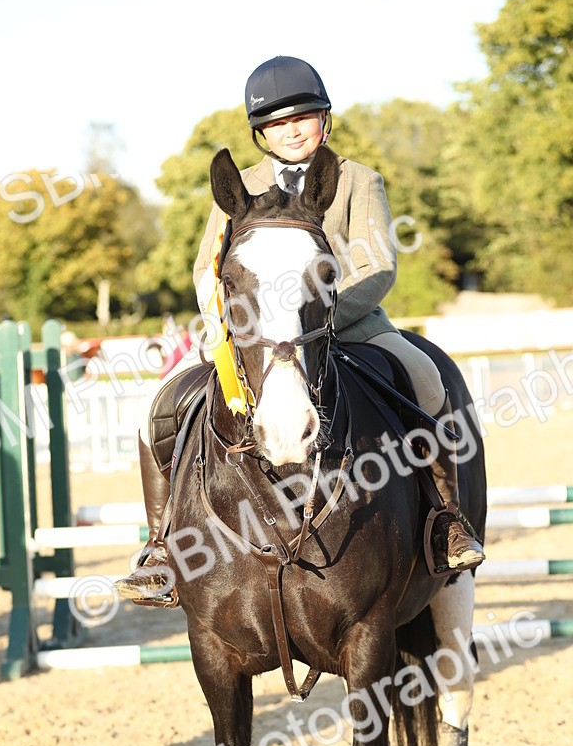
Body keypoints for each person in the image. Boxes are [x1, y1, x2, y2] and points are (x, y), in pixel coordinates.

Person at [116, 55, 484, 604]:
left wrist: (323, 320)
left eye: (303, 117)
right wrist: (223, 323)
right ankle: (161, 548)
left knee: (426, 378)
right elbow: (206, 267)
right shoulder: (238, 187)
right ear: (261, 133)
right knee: (155, 409)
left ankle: (446, 521)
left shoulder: (358, 180)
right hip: (255, 340)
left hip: (349, 327)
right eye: (277, 123)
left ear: (325, 119)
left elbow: (378, 265)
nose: (291, 130)